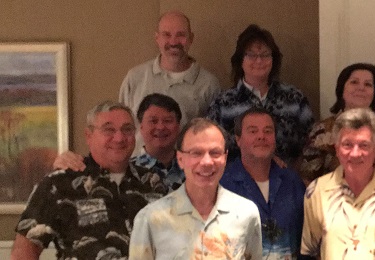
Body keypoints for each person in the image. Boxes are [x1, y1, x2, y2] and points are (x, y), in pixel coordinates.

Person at [11, 101, 167, 259]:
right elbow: (24, 251)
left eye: (127, 129)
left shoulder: (152, 182)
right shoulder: (59, 184)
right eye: (109, 130)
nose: (119, 138)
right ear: (89, 136)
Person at [129, 118, 262, 259]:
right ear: (180, 159)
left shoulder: (246, 213)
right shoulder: (151, 218)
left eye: (215, 153)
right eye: (196, 153)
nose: (206, 162)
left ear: (225, 158)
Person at [301, 108, 375, 259]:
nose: (355, 153)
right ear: (337, 149)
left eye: (364, 145)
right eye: (347, 145)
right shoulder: (317, 191)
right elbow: (309, 253)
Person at [208, 24, 313, 163]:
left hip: (288, 178)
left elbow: (312, 142)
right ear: (240, 60)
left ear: (273, 60)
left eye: (265, 55)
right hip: (236, 180)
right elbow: (211, 148)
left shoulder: (294, 98)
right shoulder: (223, 103)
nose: (259, 60)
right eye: (251, 55)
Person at [219, 107, 306, 258]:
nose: (261, 136)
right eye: (253, 131)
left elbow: (306, 241)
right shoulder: (222, 185)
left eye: (268, 131)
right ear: (238, 139)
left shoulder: (292, 182)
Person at [53, 93, 185, 191]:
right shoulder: (63, 180)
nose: (119, 138)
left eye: (168, 121)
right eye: (109, 130)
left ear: (179, 126)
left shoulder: (194, 169)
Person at [298, 63, 375, 183]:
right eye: (354, 82)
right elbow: (308, 177)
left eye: (368, 84)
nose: (361, 88)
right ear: (342, 89)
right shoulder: (321, 130)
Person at [119, 11, 221, 127]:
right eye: (166, 35)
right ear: (157, 38)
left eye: (181, 35)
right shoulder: (135, 78)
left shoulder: (209, 84)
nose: (173, 42)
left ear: (191, 38)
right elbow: (122, 127)